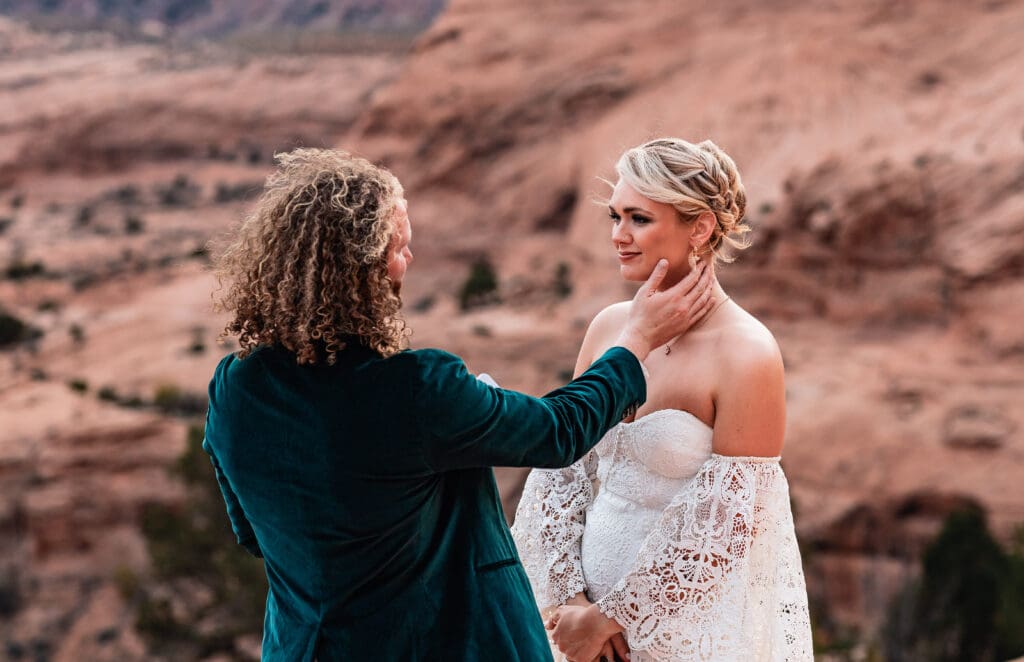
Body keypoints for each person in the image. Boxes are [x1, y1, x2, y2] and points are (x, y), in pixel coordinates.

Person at [202, 148, 717, 661]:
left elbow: (252, 532)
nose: (410, 259)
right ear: (362, 270)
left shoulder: (234, 388)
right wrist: (633, 345)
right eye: (400, 247)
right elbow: (559, 431)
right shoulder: (418, 388)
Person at [511, 138, 813, 661]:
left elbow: (730, 521)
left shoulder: (747, 351)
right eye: (615, 216)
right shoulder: (609, 328)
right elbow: (563, 470)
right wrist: (569, 605)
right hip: (574, 632)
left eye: (639, 219)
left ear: (699, 227)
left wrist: (613, 621)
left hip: (683, 634)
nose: (618, 236)